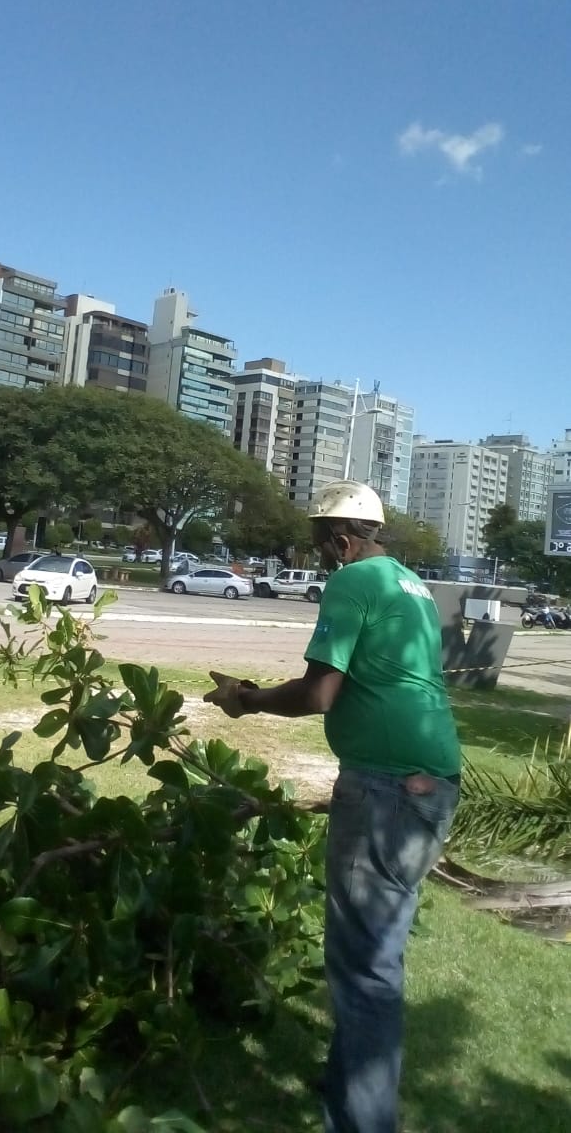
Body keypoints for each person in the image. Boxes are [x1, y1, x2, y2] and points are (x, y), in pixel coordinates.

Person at [204, 480, 461, 1133]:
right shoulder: (410, 583)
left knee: (366, 967)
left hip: (385, 787)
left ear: (341, 540)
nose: (318, 554)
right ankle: (352, 1087)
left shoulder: (352, 581)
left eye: (320, 543)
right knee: (378, 950)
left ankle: (361, 1122)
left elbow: (320, 693)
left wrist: (248, 700)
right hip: (432, 780)